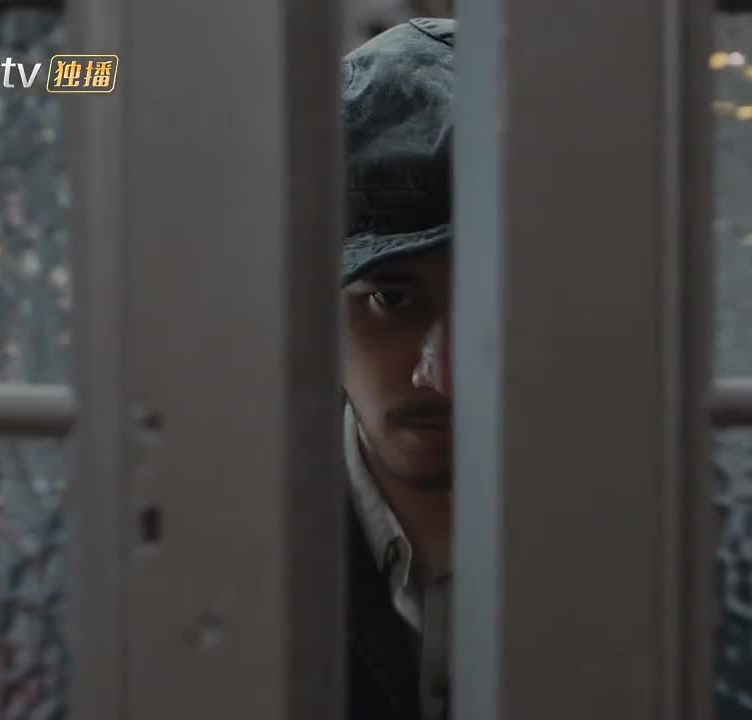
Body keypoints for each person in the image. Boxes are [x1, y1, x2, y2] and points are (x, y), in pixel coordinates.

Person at [339, 16, 456, 720]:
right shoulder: (213, 531)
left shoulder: (667, 541)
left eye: (493, 305)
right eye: (393, 299)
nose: (442, 376)